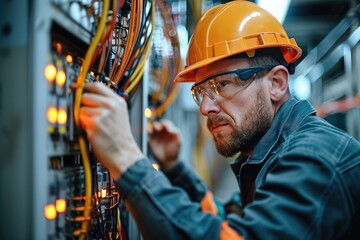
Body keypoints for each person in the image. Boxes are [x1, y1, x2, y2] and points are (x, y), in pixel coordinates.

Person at [79, 1, 360, 239]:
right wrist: (175, 168)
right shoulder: (270, 155)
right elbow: (228, 220)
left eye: (223, 84)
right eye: (200, 92)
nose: (205, 108)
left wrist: (126, 159)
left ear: (276, 83)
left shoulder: (313, 160)